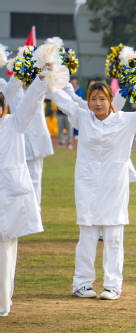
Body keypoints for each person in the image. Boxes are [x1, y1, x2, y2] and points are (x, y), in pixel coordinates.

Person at [47, 80, 136, 301]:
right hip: (87, 187)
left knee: (113, 237)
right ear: (88, 101)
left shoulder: (126, 120)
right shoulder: (81, 117)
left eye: (102, 99)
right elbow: (62, 100)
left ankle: (112, 285)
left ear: (111, 101)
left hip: (114, 188)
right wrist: (46, 79)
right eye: (93, 99)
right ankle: (82, 283)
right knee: (87, 236)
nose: (98, 103)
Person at [1, 76, 56, 316]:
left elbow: (30, 102)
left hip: (8, 198)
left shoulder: (14, 124)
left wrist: (42, 79)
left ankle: (2, 304)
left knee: (5, 251)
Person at [7, 78, 54, 208]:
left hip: (36, 139)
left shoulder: (41, 87)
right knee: (16, 179)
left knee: (35, 178)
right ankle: (20, 210)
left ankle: (36, 209)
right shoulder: (13, 88)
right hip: (18, 139)